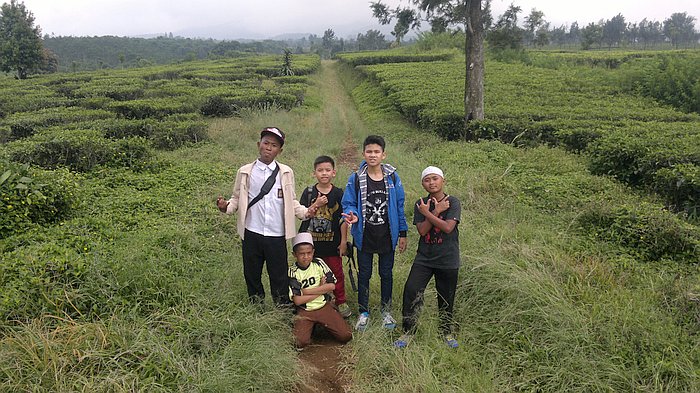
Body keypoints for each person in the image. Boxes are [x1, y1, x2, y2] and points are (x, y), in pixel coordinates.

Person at [216, 127, 320, 306]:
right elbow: (236, 198)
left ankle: (282, 307)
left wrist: (306, 212)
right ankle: (256, 305)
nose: (268, 148)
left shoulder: (286, 172)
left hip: (276, 233)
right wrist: (225, 207)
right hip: (251, 232)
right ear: (259, 145)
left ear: (280, 150)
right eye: (266, 143)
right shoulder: (245, 171)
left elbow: (292, 200)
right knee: (252, 272)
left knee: (279, 274)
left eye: (274, 145)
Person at [342, 135, 408, 331]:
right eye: (369, 151)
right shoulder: (356, 178)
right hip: (364, 235)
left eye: (376, 152)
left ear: (383, 154)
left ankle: (386, 311)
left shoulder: (393, 178)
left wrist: (402, 233)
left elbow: (399, 206)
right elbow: (348, 203)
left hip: (388, 235)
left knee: (386, 274)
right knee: (364, 274)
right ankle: (364, 312)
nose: (372, 155)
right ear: (363, 153)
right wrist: (352, 215)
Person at [394, 166, 461, 349]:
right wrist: (435, 211)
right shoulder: (420, 204)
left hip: (448, 258)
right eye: (427, 180)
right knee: (411, 291)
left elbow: (448, 228)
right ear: (423, 183)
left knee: (446, 297)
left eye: (434, 178)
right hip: (424, 258)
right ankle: (408, 332)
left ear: (442, 180)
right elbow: (423, 231)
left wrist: (430, 213)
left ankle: (446, 332)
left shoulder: (453, 202)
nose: (431, 182)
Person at [299, 155, 351, 318]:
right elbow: (303, 214)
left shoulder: (338, 193)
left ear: (334, 173)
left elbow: (343, 219)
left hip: (332, 244)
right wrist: (317, 204)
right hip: (311, 245)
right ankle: (315, 301)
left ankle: (341, 301)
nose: (324, 173)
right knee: (311, 274)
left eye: (327, 170)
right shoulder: (309, 192)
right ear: (314, 173)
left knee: (336, 273)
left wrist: (343, 242)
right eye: (320, 170)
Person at [288, 232, 353, 350]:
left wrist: (307, 291)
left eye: (309, 253)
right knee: (299, 342)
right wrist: (322, 289)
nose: (306, 256)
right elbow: (297, 300)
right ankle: (311, 327)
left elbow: (332, 286)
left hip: (323, 306)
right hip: (305, 310)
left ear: (313, 252)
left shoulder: (319, 263)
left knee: (346, 336)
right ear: (294, 254)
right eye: (301, 254)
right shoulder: (293, 271)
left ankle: (325, 321)